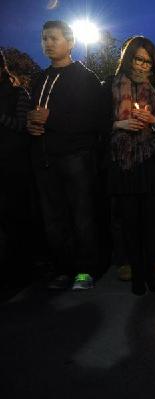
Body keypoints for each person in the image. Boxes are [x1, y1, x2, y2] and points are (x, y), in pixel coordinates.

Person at [27, 20, 102, 290]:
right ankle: (63, 268)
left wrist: (52, 119)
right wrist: (31, 125)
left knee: (81, 216)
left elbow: (94, 119)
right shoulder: (40, 77)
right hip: (45, 159)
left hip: (76, 157)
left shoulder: (85, 77)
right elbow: (36, 113)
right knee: (54, 217)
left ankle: (85, 270)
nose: (48, 43)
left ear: (70, 42)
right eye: (44, 38)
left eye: (54, 38)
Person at [104, 36, 155, 295]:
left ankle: (150, 270)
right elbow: (98, 123)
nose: (141, 65)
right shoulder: (111, 85)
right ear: (128, 58)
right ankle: (137, 273)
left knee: (151, 221)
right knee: (129, 221)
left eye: (147, 61)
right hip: (124, 160)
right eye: (138, 59)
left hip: (149, 160)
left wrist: (152, 119)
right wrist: (120, 124)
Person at [0, 50, 32, 281]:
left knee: (15, 218)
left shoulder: (17, 93)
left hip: (13, 165)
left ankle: (20, 269)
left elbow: (22, 125)